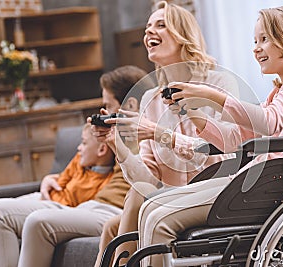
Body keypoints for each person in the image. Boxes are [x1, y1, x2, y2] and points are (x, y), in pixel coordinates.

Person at [136, 6, 283, 266]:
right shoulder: (281, 89)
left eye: (264, 39)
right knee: (150, 207)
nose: (256, 48)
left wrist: (213, 95)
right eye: (255, 41)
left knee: (159, 219)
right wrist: (192, 113)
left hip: (277, 183)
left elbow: (269, 122)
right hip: (265, 179)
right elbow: (234, 140)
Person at [92, 2, 240, 266]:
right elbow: (147, 179)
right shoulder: (151, 98)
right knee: (113, 225)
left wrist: (157, 132)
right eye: (148, 26)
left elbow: (223, 146)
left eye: (161, 25)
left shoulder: (217, 85)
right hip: (168, 195)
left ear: (183, 35)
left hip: (213, 191)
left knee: (136, 207)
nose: (150, 32)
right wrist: (117, 144)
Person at [0, 65, 148, 267]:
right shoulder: (117, 135)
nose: (106, 113)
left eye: (108, 106)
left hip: (113, 210)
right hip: (90, 206)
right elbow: (89, 164)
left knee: (36, 221)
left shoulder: (148, 134)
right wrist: (53, 178)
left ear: (131, 104)